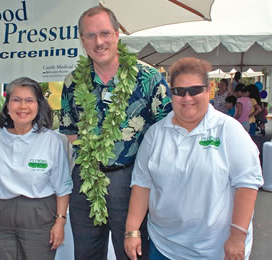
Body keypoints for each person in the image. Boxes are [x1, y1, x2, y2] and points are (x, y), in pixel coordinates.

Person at [59, 6, 172, 260]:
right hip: (86, 178)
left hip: (132, 180)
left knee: (133, 254)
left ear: (117, 34)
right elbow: (70, 130)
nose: (99, 42)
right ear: (82, 40)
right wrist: (92, 160)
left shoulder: (148, 77)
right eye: (90, 36)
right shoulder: (72, 81)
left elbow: (169, 132)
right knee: (86, 254)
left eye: (104, 33)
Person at [124, 57, 263, 260]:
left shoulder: (228, 130)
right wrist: (132, 231)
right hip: (163, 247)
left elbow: (247, 184)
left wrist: (237, 236)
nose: (187, 98)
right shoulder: (155, 134)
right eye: (179, 91)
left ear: (208, 91)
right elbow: (142, 185)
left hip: (215, 250)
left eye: (195, 90)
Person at [0, 77, 73, 260]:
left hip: (39, 216)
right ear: (7, 105)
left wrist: (60, 220)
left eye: (29, 100)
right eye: (16, 100)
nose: (22, 106)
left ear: (38, 105)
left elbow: (62, 187)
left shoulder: (51, 140)